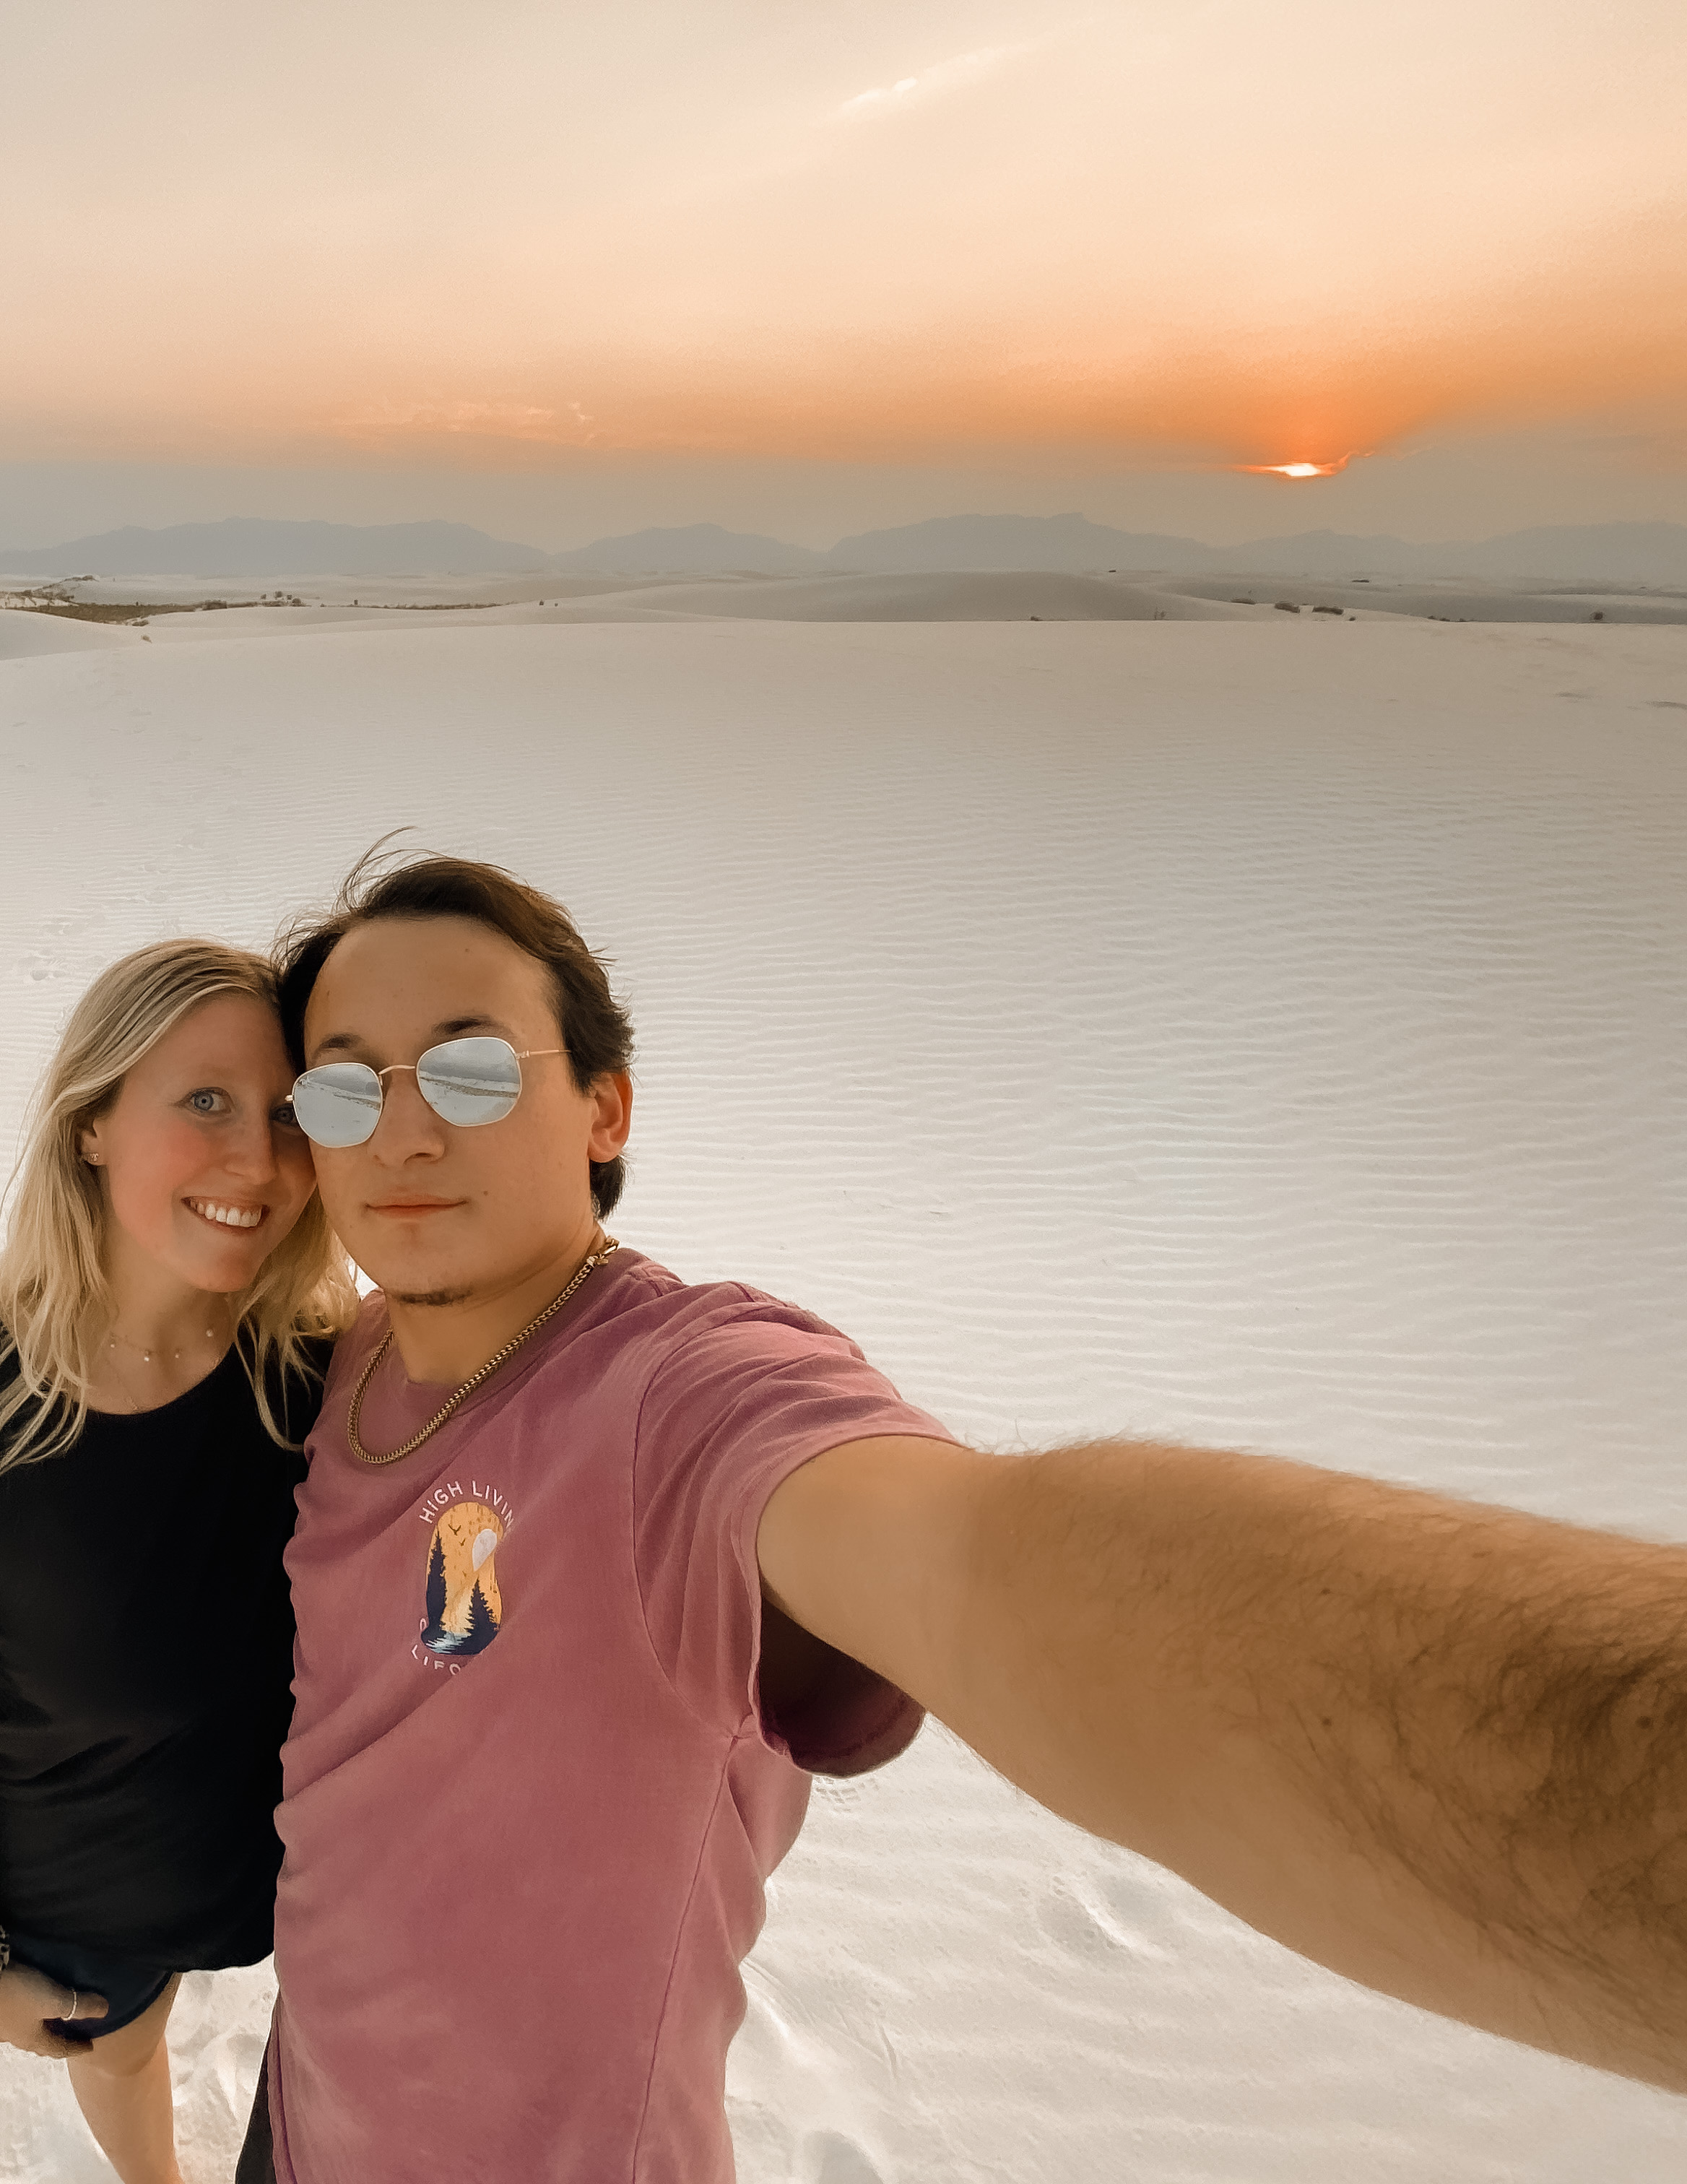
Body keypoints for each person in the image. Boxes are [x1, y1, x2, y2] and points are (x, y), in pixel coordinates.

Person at [238, 851, 1687, 2183]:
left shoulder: (672, 1399)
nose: (406, 1134)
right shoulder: (330, 1371)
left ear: (606, 1108)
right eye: (349, 1089)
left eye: (474, 1072)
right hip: (293, 2127)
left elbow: (982, 1565)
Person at [0, 939, 354, 2184]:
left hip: (325, 1858)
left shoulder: (327, 1373)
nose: (258, 1160)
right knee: (121, 2048)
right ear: (93, 1125)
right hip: (94, 1881)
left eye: (290, 1113)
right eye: (205, 1101)